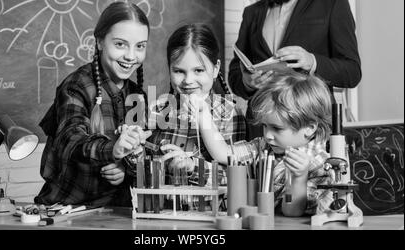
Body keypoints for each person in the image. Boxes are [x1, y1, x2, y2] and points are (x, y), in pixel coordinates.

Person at [35, 2, 151, 207]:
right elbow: (70, 139)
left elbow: (142, 152)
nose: (131, 56)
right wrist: (112, 150)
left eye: (140, 46)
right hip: (68, 210)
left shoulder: (137, 95)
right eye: (120, 44)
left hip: (115, 213)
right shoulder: (77, 86)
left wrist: (126, 166)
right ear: (99, 42)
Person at [197, 72, 334, 216]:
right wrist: (203, 114)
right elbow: (222, 153)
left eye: (277, 128)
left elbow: (292, 211)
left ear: (309, 128)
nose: (267, 135)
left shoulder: (321, 165)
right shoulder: (263, 147)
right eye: (264, 126)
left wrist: (299, 178)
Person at [146, 24, 246, 210]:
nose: (188, 80)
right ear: (169, 69)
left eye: (198, 70)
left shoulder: (230, 113)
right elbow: (143, 168)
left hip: (210, 216)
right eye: (179, 71)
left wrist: (193, 167)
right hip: (163, 213)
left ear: (215, 69)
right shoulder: (157, 109)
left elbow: (237, 176)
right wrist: (131, 148)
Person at [228, 0, 362, 138]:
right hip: (261, 128)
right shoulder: (251, 12)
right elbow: (234, 74)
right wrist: (247, 83)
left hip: (309, 124)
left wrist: (313, 62)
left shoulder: (333, 4)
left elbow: (352, 72)